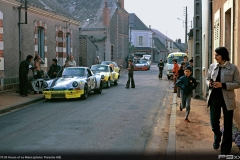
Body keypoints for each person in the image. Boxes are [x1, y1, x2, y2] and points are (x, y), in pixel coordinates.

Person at [206, 47, 240, 155]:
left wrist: (223, 85)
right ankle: (217, 136)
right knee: (214, 122)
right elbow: (206, 79)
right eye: (215, 55)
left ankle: (225, 150)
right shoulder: (212, 66)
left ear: (223, 55)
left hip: (227, 100)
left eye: (217, 55)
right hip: (214, 98)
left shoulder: (233, 68)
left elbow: (238, 83)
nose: (215, 57)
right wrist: (210, 84)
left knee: (228, 124)